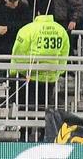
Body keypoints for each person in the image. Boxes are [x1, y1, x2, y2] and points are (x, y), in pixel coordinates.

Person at [11, 10, 70, 142]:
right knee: (45, 106)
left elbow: (18, 51)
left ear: (37, 12)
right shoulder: (61, 30)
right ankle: (44, 134)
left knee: (27, 105)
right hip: (50, 77)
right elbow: (64, 53)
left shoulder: (28, 29)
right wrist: (59, 71)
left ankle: (25, 134)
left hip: (30, 76)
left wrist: (16, 70)